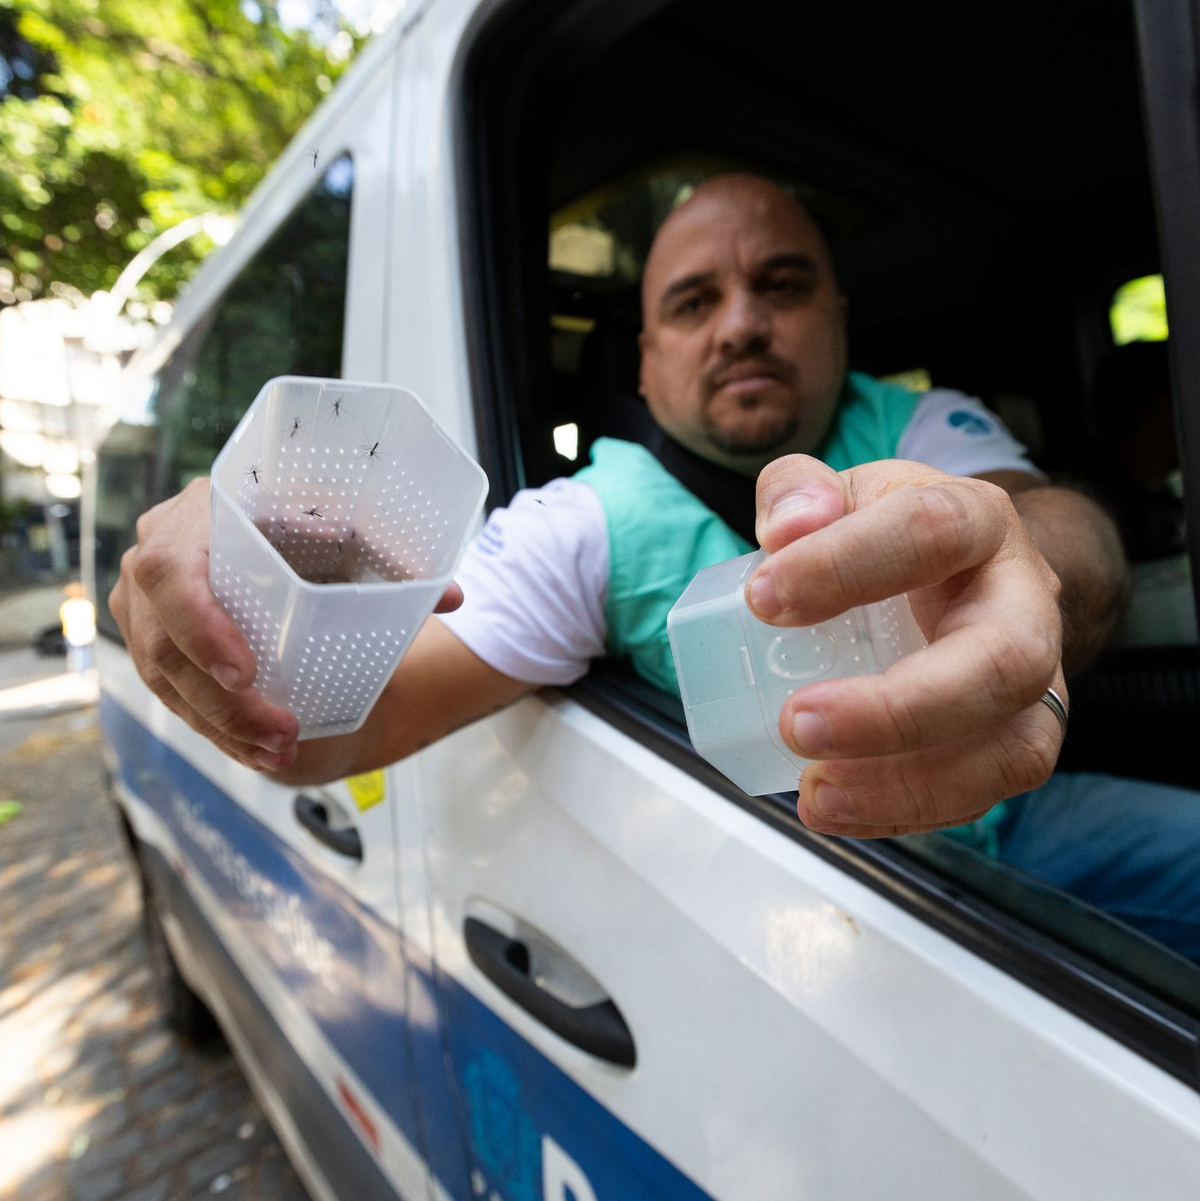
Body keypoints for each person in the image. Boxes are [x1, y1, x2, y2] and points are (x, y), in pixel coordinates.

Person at [111, 174, 1200, 958]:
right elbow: (328, 732)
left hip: (1021, 824)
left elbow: (1050, 525)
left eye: (782, 284)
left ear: (838, 319)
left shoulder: (919, 423)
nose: (740, 322)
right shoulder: (585, 525)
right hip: (805, 914)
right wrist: (244, 584)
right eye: (692, 301)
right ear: (645, 356)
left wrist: (1028, 563)